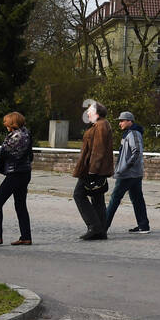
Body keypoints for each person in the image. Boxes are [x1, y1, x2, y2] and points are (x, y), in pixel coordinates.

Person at [0, 112, 34, 246]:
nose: (5, 125)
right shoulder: (26, 134)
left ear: (12, 123)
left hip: (15, 173)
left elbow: (5, 152)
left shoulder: (17, 136)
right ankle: (26, 237)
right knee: (20, 205)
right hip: (25, 172)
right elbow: (30, 155)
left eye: (7, 122)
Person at [72, 101, 114, 240]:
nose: (87, 113)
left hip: (92, 169)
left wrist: (92, 171)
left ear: (97, 112)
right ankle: (101, 230)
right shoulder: (99, 124)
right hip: (95, 169)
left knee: (79, 194)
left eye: (89, 111)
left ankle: (94, 227)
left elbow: (98, 150)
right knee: (97, 198)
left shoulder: (101, 125)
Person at [105, 111, 150, 233]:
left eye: (122, 121)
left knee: (115, 198)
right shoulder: (129, 134)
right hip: (134, 173)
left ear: (129, 121)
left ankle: (102, 226)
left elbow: (137, 152)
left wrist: (125, 167)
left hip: (128, 174)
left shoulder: (133, 134)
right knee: (137, 199)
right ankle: (143, 226)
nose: (120, 123)